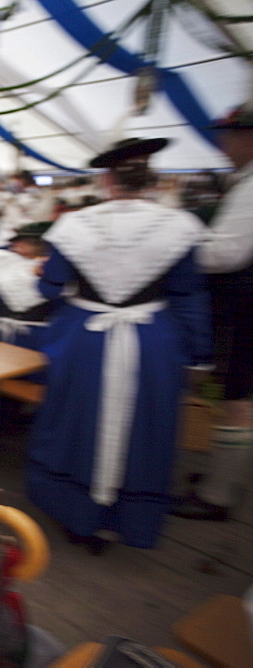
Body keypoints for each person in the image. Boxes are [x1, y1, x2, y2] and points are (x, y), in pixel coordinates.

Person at [25, 137, 211, 553]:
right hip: (151, 342)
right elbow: (188, 294)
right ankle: (125, 518)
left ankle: (78, 515)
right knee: (142, 429)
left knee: (78, 424)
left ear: (107, 179)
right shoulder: (179, 226)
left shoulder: (75, 224)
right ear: (151, 179)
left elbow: (51, 286)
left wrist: (45, 275)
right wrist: (199, 357)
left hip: (85, 340)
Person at [173, 102, 253, 522]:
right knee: (235, 396)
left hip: (246, 307)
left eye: (232, 133)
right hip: (241, 304)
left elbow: (226, 252)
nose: (224, 141)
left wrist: (176, 247)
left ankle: (217, 496)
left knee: (238, 399)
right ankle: (219, 481)